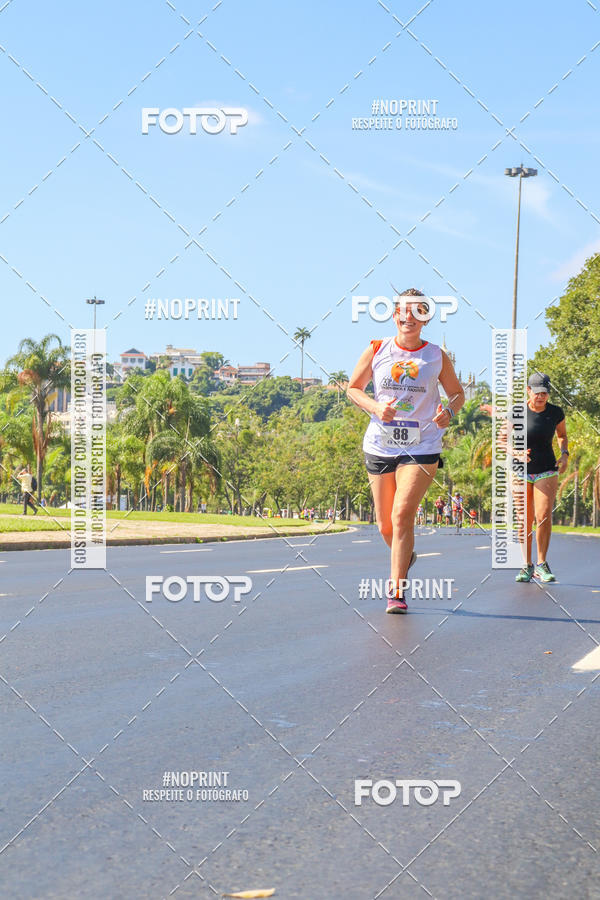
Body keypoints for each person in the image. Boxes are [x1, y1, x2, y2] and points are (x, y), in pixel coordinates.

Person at [347, 287, 465, 613]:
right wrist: (375, 407)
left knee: (402, 516)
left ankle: (396, 590)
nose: (409, 317)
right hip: (380, 443)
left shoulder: (436, 356)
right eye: (404, 310)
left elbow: (457, 394)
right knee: (386, 526)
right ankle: (406, 555)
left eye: (417, 312)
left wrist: (449, 412)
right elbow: (353, 388)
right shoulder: (377, 349)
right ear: (395, 314)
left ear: (425, 318)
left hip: (422, 443)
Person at [513, 373, 568, 583]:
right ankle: (526, 565)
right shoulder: (517, 412)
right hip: (520, 470)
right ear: (528, 390)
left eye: (545, 393)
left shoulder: (555, 412)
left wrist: (564, 455)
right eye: (537, 393)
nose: (541, 397)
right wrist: (514, 452)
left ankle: (541, 564)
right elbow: (500, 440)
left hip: (547, 468)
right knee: (524, 520)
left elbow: (562, 436)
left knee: (543, 515)